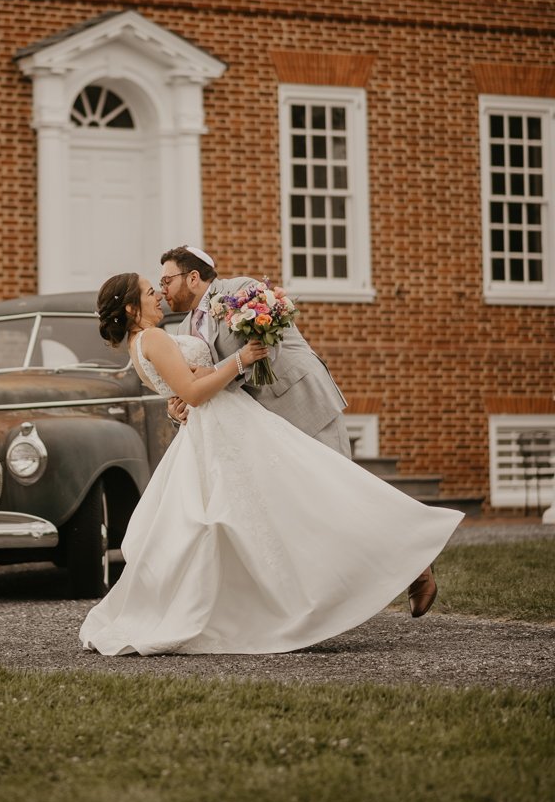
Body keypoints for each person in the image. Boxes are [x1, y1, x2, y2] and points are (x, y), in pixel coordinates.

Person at [79, 272, 462, 657]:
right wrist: (240, 359)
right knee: (300, 501)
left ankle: (394, 563)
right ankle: (359, 571)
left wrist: (189, 394)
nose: (158, 296)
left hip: (224, 428)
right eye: (149, 292)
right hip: (224, 429)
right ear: (131, 308)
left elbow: (185, 388)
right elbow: (193, 392)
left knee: (269, 513)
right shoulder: (155, 338)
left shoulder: (138, 345)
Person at [160, 245, 350, 458]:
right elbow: (197, 386)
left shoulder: (241, 289)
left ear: (193, 278)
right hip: (259, 429)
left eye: (167, 281)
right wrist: (178, 412)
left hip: (303, 404)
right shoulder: (182, 330)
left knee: (335, 484)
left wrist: (213, 371)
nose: (163, 290)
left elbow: (267, 345)